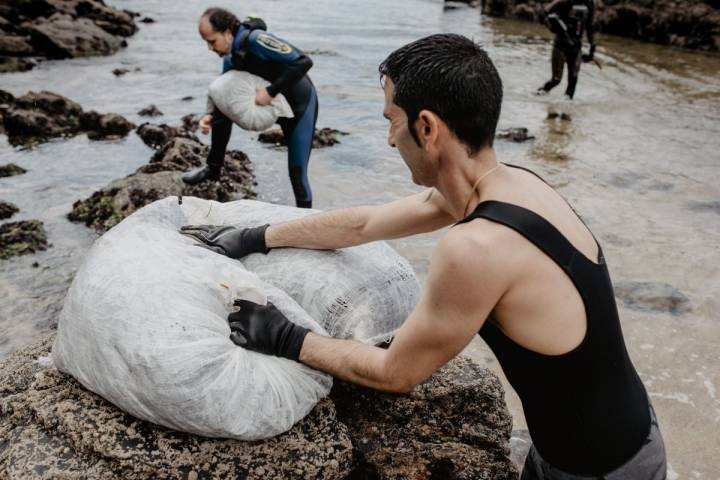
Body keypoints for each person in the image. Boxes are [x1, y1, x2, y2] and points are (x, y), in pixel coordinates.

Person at [180, 34, 667, 479]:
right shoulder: (515, 184)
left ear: (427, 127)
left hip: (600, 468)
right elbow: (363, 224)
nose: (391, 139)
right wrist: (255, 236)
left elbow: (397, 372)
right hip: (622, 433)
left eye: (392, 121)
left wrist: (283, 335)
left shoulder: (476, 246)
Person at [183, 7, 318, 209]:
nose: (210, 48)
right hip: (270, 105)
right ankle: (213, 167)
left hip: (299, 105)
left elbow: (304, 61)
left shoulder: (256, 40)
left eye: (212, 41)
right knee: (222, 107)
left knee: (297, 173)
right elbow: (225, 93)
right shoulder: (231, 57)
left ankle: (306, 224)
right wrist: (209, 115)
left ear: (228, 33)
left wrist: (271, 91)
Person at [536, 0, 596, 99]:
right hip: (560, 45)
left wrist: (592, 49)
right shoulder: (564, 1)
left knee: (572, 82)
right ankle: (538, 95)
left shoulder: (589, 3)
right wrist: (552, 26)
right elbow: (542, 15)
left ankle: (566, 112)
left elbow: (590, 26)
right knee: (556, 80)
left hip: (576, 47)